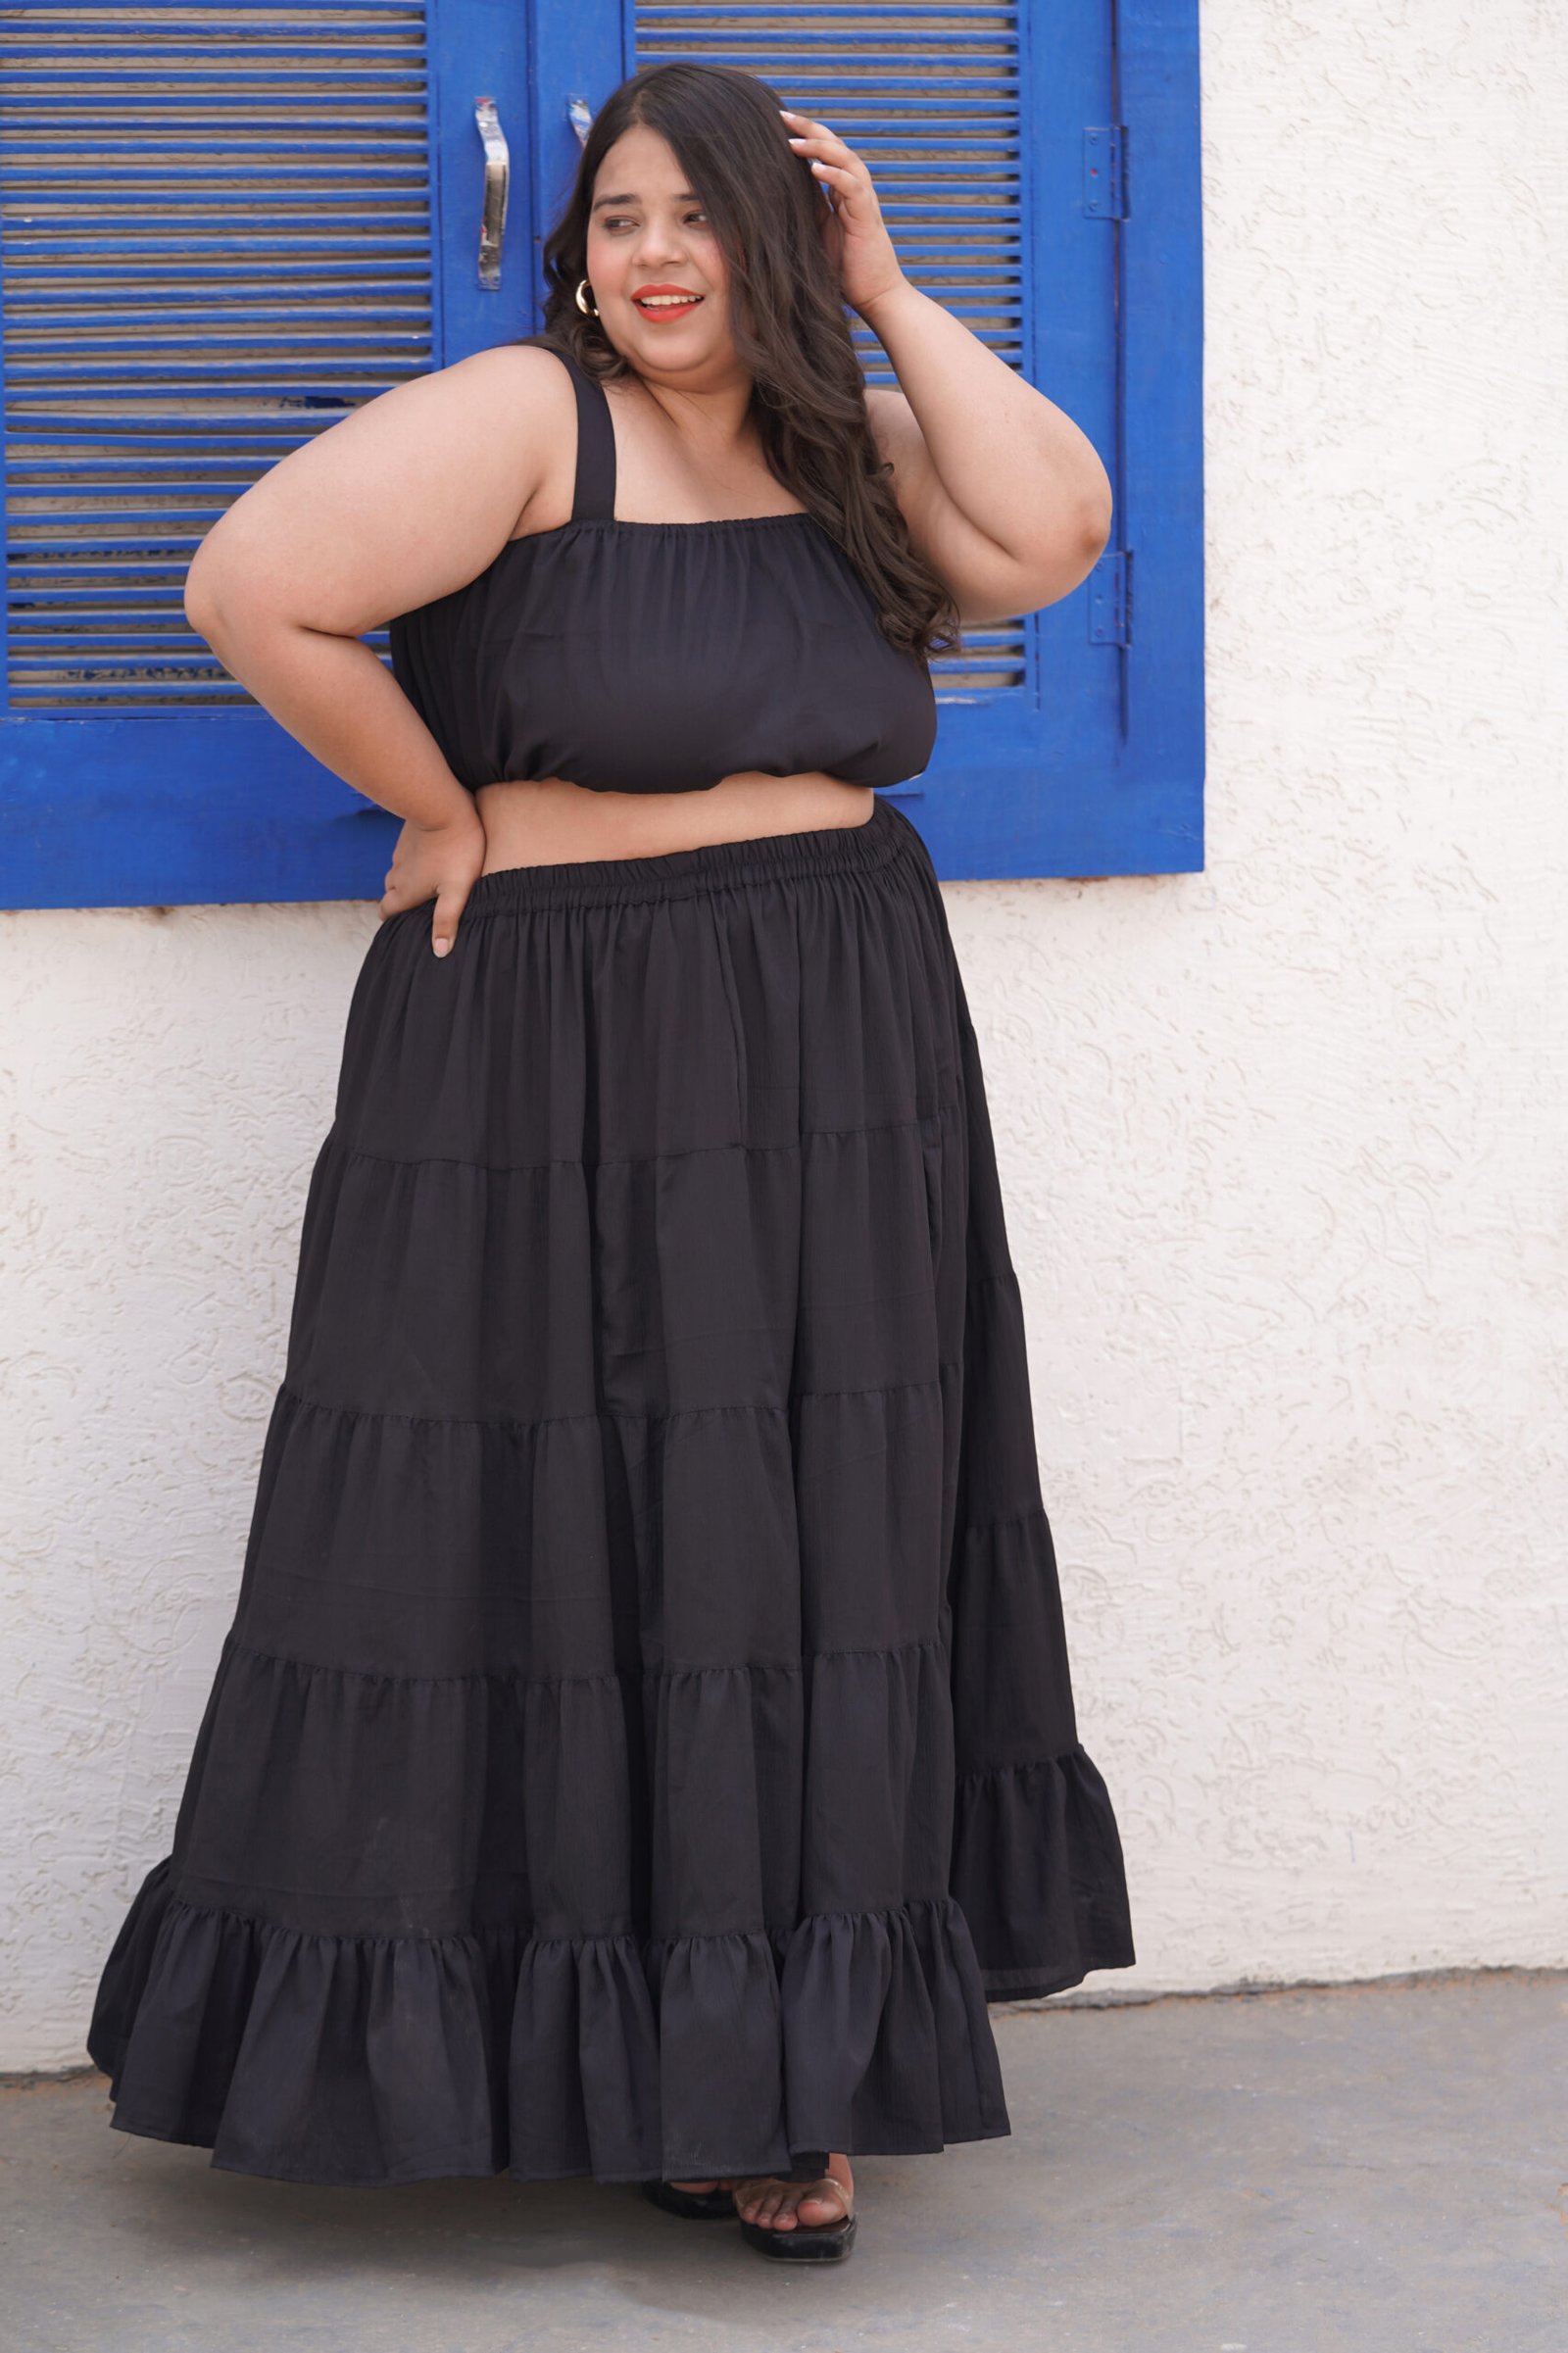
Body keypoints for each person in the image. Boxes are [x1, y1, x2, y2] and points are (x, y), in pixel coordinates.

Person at [85, 60, 1135, 2265]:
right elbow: (252, 584)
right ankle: (514, 2041)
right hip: (549, 1041)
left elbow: (1049, 532)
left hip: (836, 1036)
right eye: (618, 216)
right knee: (537, 1518)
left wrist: (885, 287)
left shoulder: (842, 451)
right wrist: (446, 805)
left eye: (701, 216)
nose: (652, 254)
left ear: (777, 237)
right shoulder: (518, 422)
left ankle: (762, 2066)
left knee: (799, 1536)